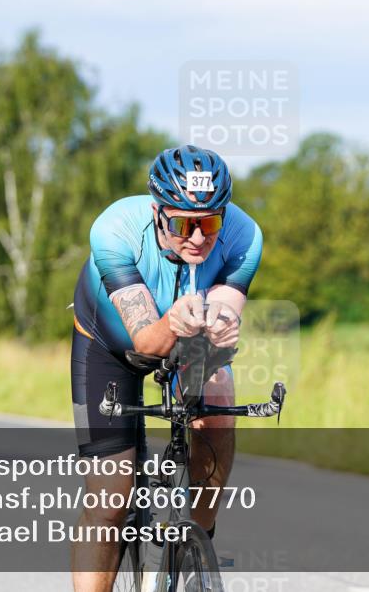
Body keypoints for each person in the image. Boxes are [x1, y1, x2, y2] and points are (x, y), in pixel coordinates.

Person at [70, 145, 263, 591]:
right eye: (182, 224)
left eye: (210, 223)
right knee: (110, 498)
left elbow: (224, 312)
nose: (197, 238)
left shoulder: (245, 235)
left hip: (184, 334)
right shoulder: (114, 230)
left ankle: (199, 541)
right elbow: (147, 343)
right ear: (158, 213)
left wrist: (221, 328)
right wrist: (173, 320)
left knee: (216, 407)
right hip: (109, 343)